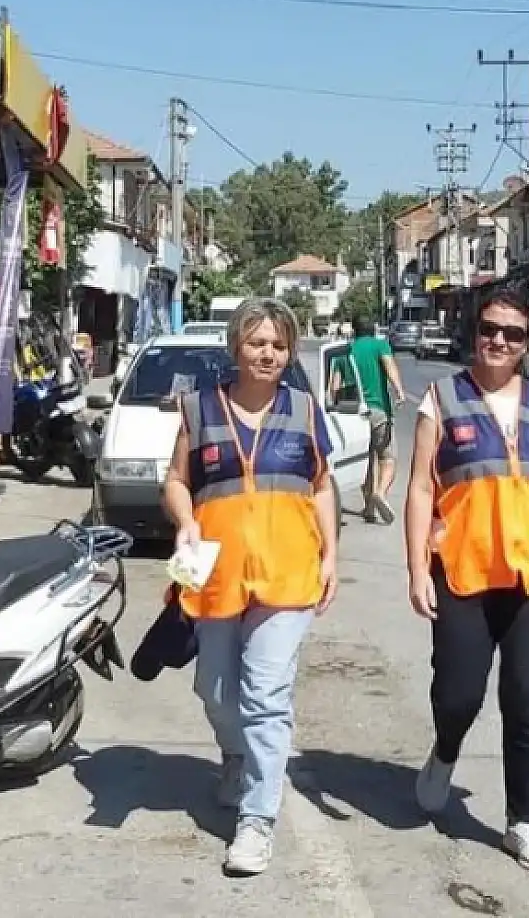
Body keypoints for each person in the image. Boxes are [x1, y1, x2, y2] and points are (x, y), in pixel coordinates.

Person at [403, 281, 529, 872]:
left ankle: (522, 822)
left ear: (527, 344)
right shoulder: (441, 398)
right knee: (459, 693)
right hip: (462, 568)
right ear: (475, 332)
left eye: (513, 334)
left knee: (526, 698)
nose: (499, 341)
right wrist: (416, 569)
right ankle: (446, 749)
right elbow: (419, 488)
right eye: (490, 330)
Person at [162, 297, 340, 878]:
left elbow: (320, 487)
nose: (267, 353)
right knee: (215, 690)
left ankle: (257, 821)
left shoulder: (306, 410)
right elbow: (176, 479)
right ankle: (234, 754)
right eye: (257, 342)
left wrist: (332, 553)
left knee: (266, 696)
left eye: (279, 345)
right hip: (216, 572)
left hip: (288, 573)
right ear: (236, 346)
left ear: (290, 353)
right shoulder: (200, 407)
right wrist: (185, 519)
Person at [348, 315, 406, 524]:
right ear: (373, 329)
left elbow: (334, 385)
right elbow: (389, 366)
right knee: (387, 457)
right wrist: (399, 391)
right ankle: (380, 492)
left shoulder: (347, 351)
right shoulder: (380, 345)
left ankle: (369, 508)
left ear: (354, 330)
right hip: (379, 410)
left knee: (365, 461)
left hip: (354, 413)